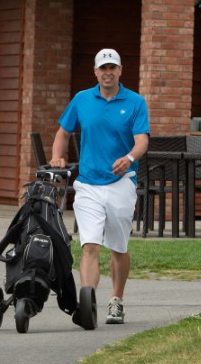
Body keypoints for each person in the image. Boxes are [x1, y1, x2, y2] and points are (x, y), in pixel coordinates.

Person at [49, 48, 149, 325]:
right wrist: (57, 156)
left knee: (118, 247)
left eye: (112, 68)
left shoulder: (135, 102)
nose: (108, 73)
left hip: (121, 183)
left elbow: (142, 140)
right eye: (103, 68)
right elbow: (63, 132)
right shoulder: (82, 99)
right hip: (88, 184)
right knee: (89, 245)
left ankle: (116, 300)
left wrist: (129, 158)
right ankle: (88, 303)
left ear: (120, 70)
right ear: (95, 72)